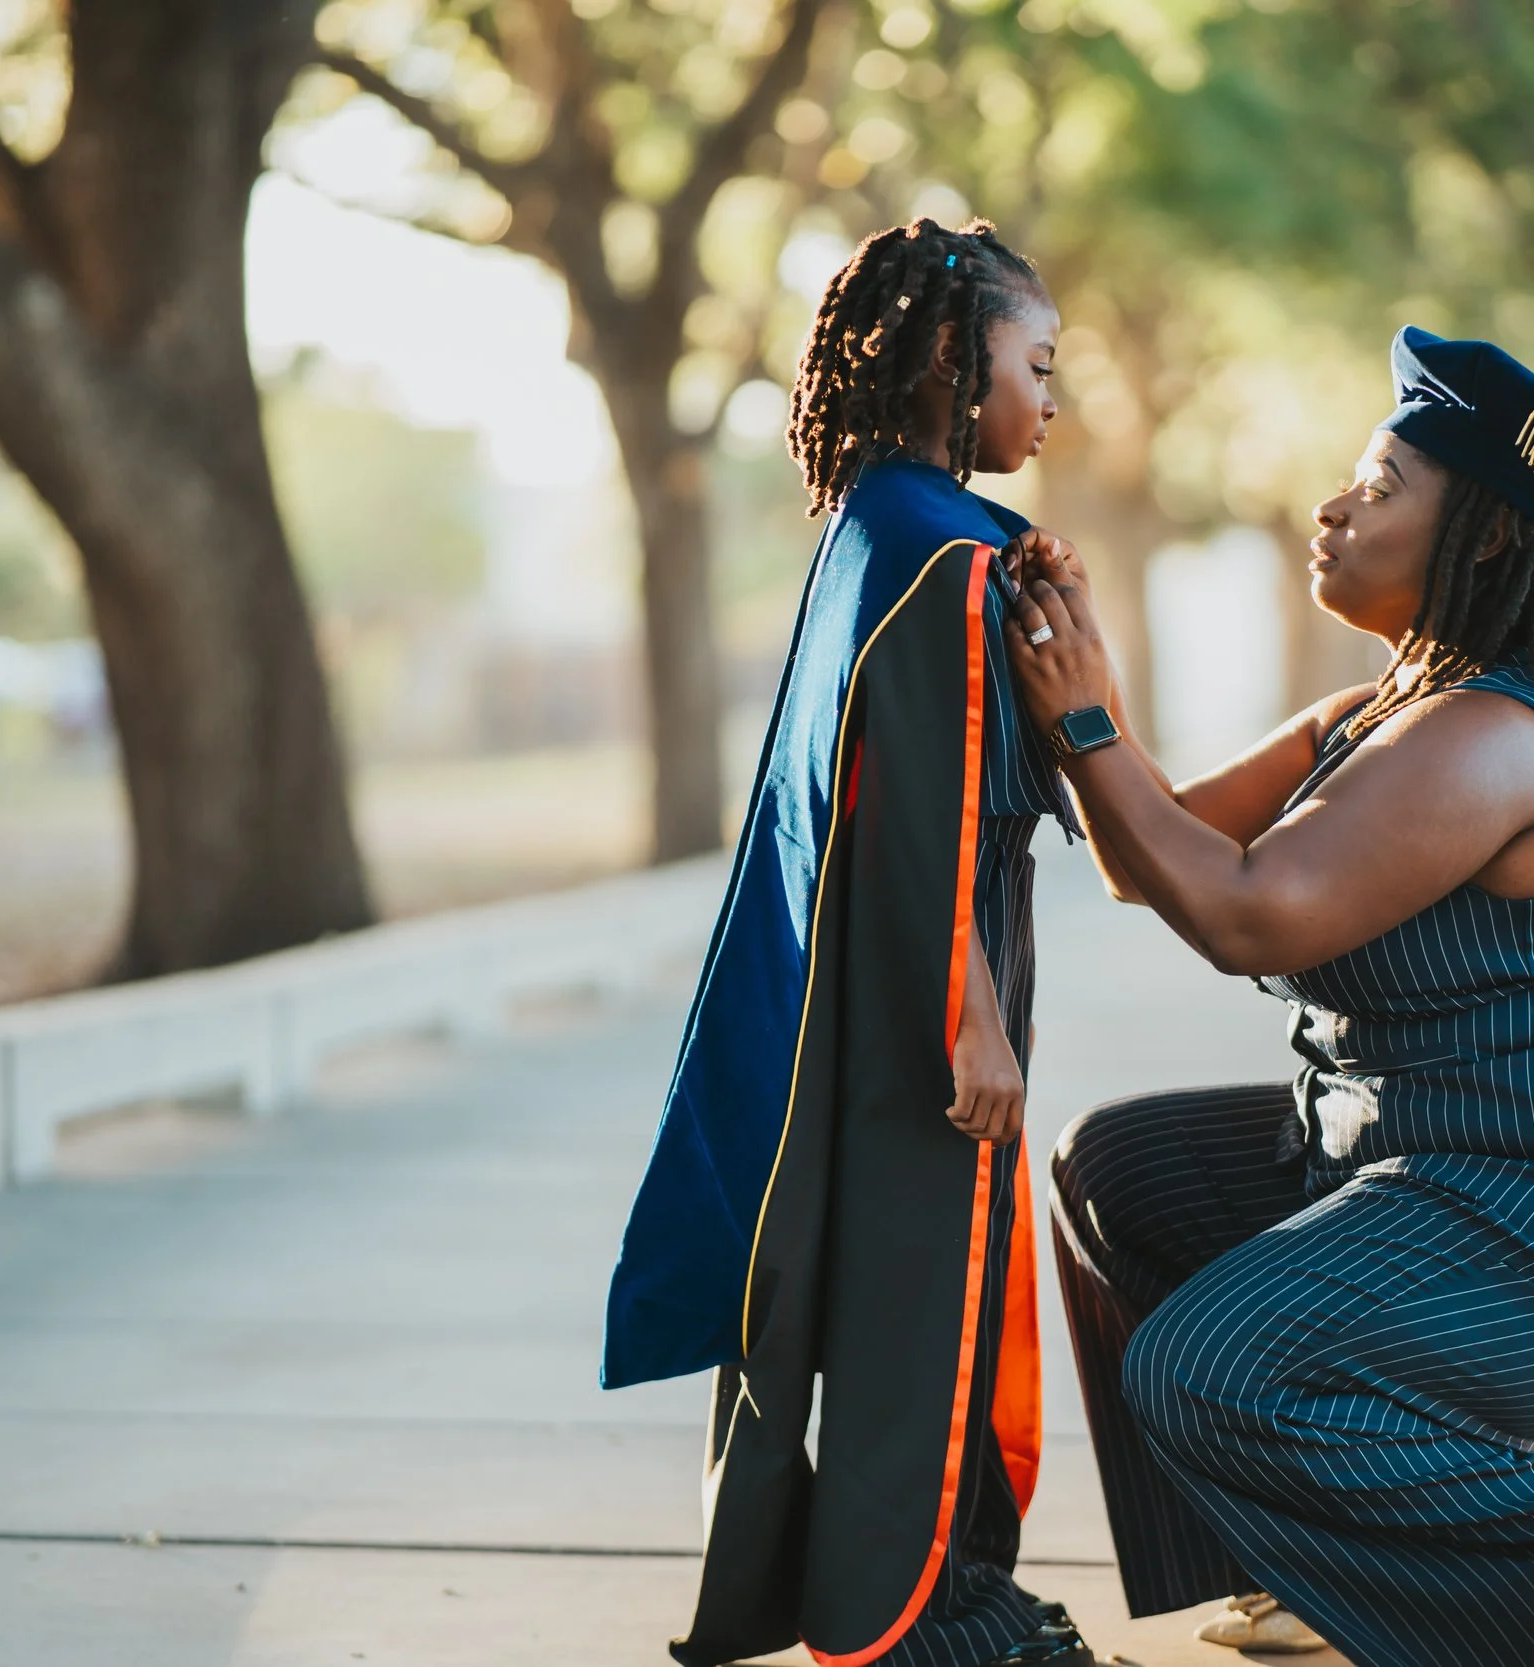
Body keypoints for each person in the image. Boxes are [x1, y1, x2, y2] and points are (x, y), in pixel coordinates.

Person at [998, 327, 1534, 1667]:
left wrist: (1086, 727)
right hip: (1459, 1161)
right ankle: (1311, 1570)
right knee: (1117, 1172)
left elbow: (1244, 910)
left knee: (1203, 1370)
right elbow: (1163, 856)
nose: (1335, 504)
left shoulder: (1493, 738)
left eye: (1383, 481)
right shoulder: (1384, 711)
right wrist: (1095, 704)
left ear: (1480, 537)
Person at [602, 219, 1098, 1667]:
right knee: (918, 1297)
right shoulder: (940, 554)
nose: (1052, 399)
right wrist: (977, 1013)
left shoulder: (880, 522)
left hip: (843, 989)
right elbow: (927, 824)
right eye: (1037, 363)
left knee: (855, 1284)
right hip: (921, 998)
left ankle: (893, 1589)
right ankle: (910, 1617)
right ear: (955, 358)